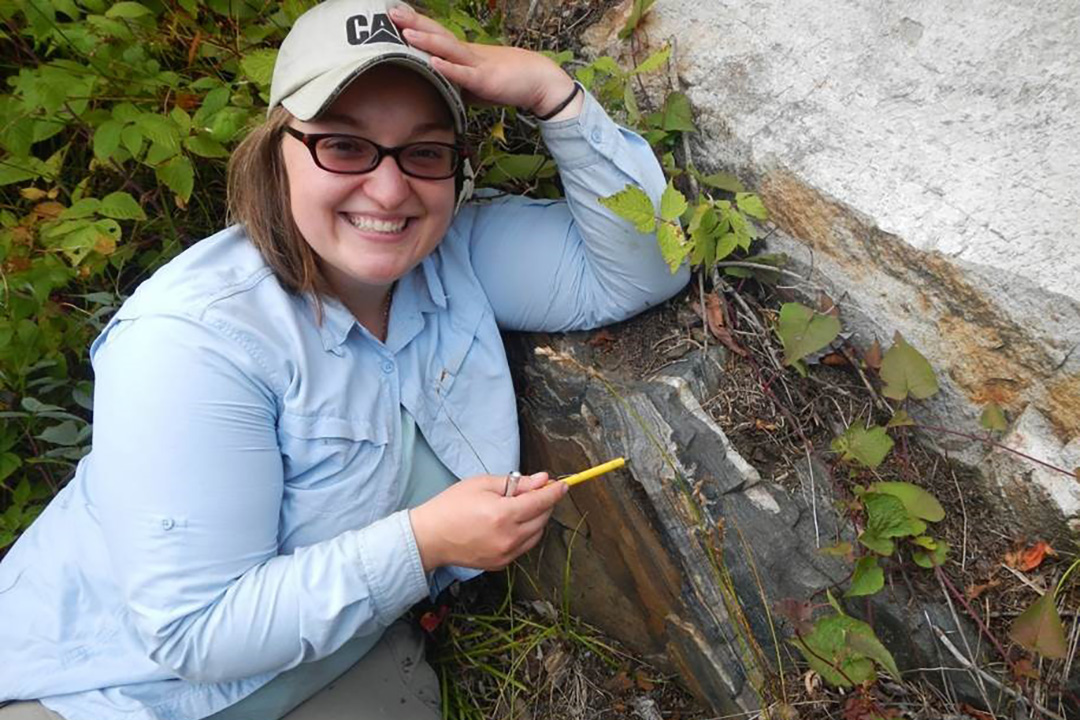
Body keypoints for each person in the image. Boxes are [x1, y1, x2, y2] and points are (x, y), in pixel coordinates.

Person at [0, 0, 689, 718]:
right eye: (345, 145)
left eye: (425, 151)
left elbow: (644, 270)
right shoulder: (194, 340)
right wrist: (424, 544)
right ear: (278, 152)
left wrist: (554, 94)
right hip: (106, 693)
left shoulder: (453, 256)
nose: (389, 191)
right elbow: (192, 633)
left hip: (321, 665)